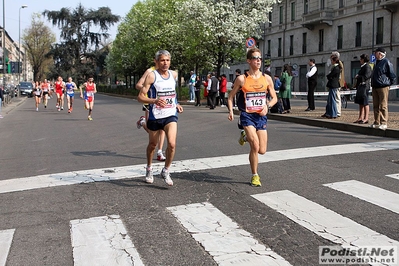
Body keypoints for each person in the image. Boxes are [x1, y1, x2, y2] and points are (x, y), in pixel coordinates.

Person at [227, 47, 277, 187]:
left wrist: (267, 106)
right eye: (255, 58)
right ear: (249, 61)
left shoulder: (266, 78)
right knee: (255, 146)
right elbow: (230, 97)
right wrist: (231, 111)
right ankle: (255, 175)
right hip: (247, 115)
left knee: (262, 150)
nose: (258, 61)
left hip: (260, 116)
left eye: (260, 58)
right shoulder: (242, 79)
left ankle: (244, 136)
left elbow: (274, 98)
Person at [137, 50, 183, 186]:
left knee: (172, 144)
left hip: (170, 115)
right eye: (162, 60)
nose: (165, 63)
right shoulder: (152, 76)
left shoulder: (174, 74)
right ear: (156, 62)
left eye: (167, 60)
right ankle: (149, 168)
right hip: (155, 115)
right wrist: (154, 101)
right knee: (152, 145)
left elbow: (173, 94)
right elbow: (140, 97)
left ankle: (166, 170)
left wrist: (177, 103)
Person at [135, 65, 166, 161]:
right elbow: (138, 85)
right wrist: (149, 87)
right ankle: (143, 122)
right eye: (161, 60)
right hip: (150, 102)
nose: (164, 62)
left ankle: (160, 152)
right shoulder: (150, 71)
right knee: (152, 130)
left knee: (163, 128)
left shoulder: (166, 72)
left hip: (162, 103)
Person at [370, 47, 397, 130]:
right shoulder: (376, 63)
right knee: (375, 105)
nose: (375, 54)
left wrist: (388, 84)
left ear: (380, 54)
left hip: (383, 86)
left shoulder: (386, 62)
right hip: (375, 86)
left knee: (383, 105)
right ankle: (376, 121)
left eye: (376, 53)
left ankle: (384, 122)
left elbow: (392, 74)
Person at [353, 54, 372, 124]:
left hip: (365, 86)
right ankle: (360, 117)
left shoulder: (367, 67)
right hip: (361, 86)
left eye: (361, 59)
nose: (360, 61)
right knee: (361, 103)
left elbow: (367, 76)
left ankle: (366, 118)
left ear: (363, 59)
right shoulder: (363, 67)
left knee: (365, 102)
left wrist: (358, 76)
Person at [322, 54, 342, 119]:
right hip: (332, 84)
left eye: (331, 60)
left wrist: (329, 76)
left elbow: (331, 75)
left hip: (334, 85)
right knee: (330, 99)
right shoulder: (335, 67)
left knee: (333, 99)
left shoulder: (336, 68)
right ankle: (329, 113)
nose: (331, 61)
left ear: (334, 61)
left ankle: (333, 113)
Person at [331, 51, 345, 117]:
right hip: (337, 82)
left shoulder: (338, 64)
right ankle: (336, 111)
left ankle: (338, 112)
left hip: (337, 83)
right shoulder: (338, 64)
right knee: (336, 97)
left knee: (337, 98)